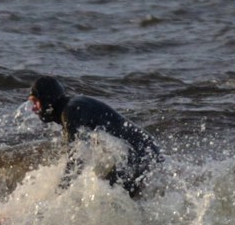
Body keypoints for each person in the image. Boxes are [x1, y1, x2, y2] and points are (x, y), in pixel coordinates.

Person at [28, 76, 162, 197]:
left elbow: (76, 161)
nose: (33, 109)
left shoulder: (70, 113)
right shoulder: (72, 107)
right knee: (115, 197)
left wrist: (57, 196)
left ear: (47, 99)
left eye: (35, 102)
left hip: (141, 152)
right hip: (145, 149)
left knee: (111, 198)